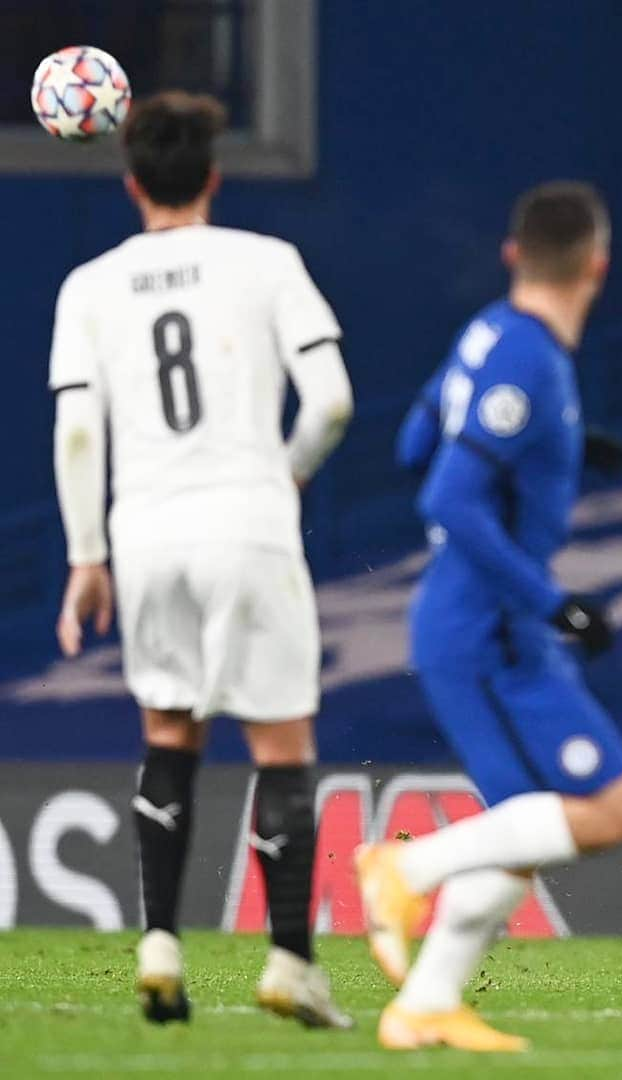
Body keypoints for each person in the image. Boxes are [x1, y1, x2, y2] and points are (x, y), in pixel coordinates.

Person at [49, 91, 353, 1027]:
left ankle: (160, 945)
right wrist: (288, 473)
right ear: (213, 176)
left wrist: (87, 556)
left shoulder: (89, 285)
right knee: (279, 743)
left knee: (170, 733)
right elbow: (333, 400)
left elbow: (74, 433)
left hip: (145, 532)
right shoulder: (267, 264)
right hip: (248, 522)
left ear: (131, 180)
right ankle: (290, 961)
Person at [357, 181, 622, 1052]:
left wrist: (555, 448)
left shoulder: (486, 331)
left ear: (512, 254)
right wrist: (551, 603)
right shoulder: (530, 356)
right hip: (489, 628)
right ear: (598, 266)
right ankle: (401, 868)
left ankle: (425, 1003)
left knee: (523, 827)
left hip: (470, 621)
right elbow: (451, 495)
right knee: (615, 803)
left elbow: (418, 446)